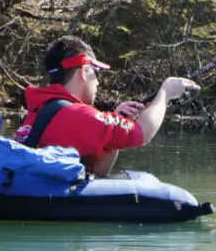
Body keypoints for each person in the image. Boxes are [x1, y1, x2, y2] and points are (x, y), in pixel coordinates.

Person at [14, 36, 199, 177]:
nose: (98, 83)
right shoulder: (77, 115)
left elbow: (98, 171)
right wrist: (165, 93)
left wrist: (114, 130)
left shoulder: (41, 108)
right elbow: (142, 134)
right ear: (85, 71)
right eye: (97, 73)